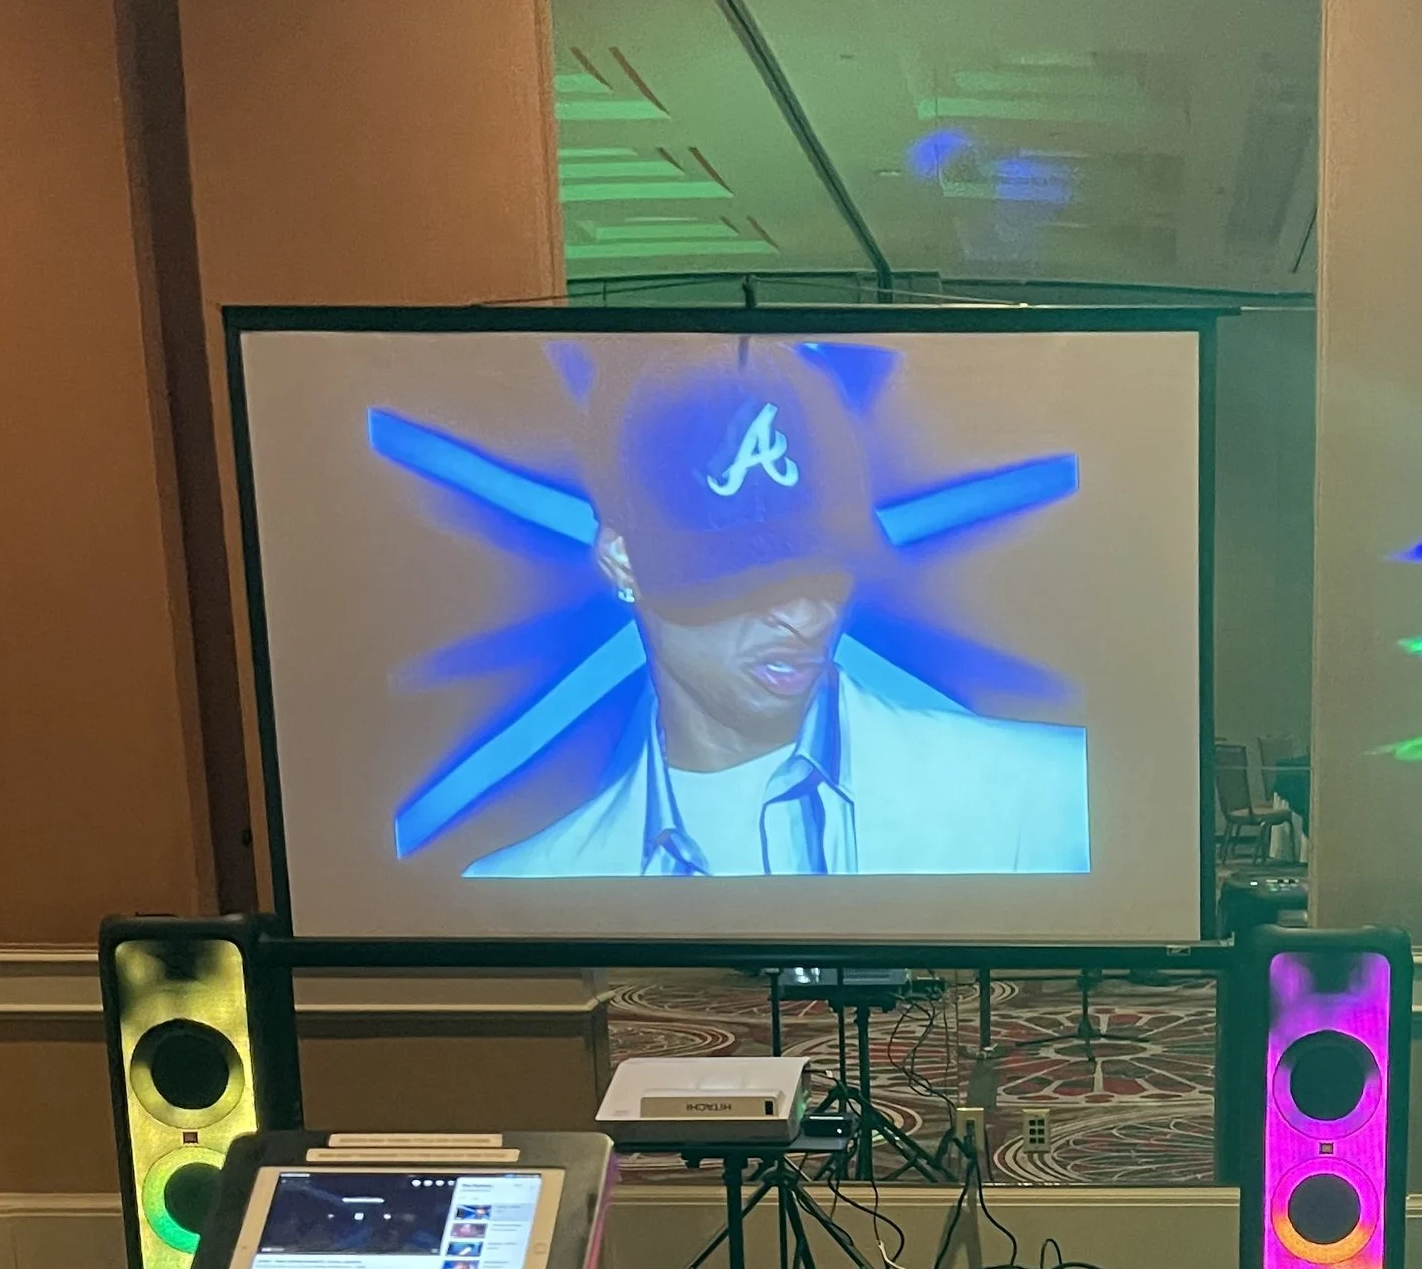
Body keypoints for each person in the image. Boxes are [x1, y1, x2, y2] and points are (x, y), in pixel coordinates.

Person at [466, 343, 1089, 878]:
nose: (805, 616)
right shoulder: (529, 883)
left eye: (825, 562)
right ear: (624, 561)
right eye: (742, 574)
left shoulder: (1051, 799)